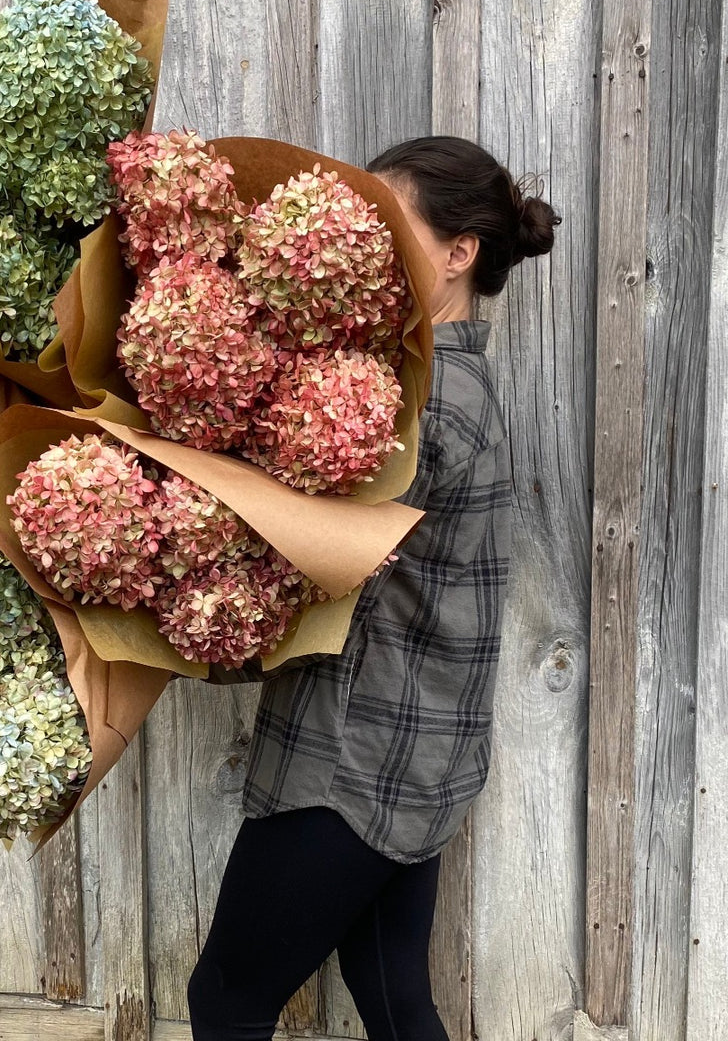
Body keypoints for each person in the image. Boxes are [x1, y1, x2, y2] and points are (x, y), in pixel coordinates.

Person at [187, 136, 561, 1041]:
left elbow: (295, 557)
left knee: (227, 1001)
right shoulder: (445, 383)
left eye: (388, 224)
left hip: (353, 765)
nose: (365, 246)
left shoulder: (422, 402)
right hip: (417, 759)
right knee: (395, 1002)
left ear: (458, 252)